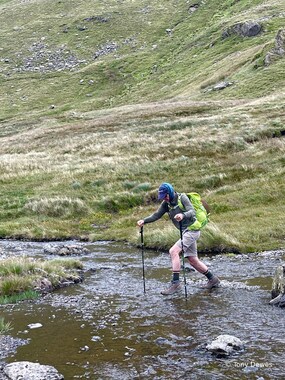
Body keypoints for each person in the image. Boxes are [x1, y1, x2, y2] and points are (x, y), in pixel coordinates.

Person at [137, 182, 220, 295]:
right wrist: (144, 221)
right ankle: (213, 279)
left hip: (192, 230)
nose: (164, 199)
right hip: (184, 232)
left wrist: (183, 215)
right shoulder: (166, 204)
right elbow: (156, 215)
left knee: (173, 251)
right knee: (193, 260)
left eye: (165, 196)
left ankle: (175, 283)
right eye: (162, 197)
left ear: (170, 192)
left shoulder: (182, 198)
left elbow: (192, 211)